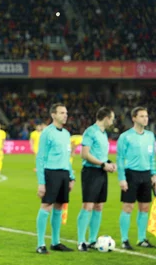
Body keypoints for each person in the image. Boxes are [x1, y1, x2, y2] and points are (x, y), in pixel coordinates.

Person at [35, 103, 75, 254]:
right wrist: (41, 182)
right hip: (51, 173)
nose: (65, 115)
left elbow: (67, 157)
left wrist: (71, 176)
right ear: (53, 115)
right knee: (46, 206)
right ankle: (40, 244)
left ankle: (56, 242)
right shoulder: (47, 133)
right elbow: (40, 158)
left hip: (64, 174)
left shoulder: (66, 133)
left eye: (66, 112)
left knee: (59, 207)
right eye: (62, 113)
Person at [76, 107, 116, 251]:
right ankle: (81, 241)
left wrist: (109, 163)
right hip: (91, 172)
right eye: (111, 118)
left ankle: (93, 240)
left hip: (101, 172)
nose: (112, 121)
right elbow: (84, 154)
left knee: (99, 206)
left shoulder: (103, 133)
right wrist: (102, 164)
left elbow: (100, 155)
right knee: (88, 205)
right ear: (105, 118)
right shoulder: (90, 131)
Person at [116, 106, 156, 250]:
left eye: (146, 116)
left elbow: (152, 157)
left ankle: (142, 239)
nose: (145, 118)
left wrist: (154, 174)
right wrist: (122, 178)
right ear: (134, 118)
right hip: (131, 174)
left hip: (146, 174)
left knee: (144, 208)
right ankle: (124, 239)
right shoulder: (125, 136)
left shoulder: (150, 136)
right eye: (142, 116)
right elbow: (120, 159)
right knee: (128, 207)